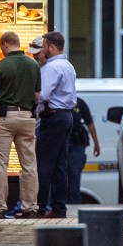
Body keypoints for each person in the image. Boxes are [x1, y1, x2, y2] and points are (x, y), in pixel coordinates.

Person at [0, 31, 41, 219]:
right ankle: (30, 207)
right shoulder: (33, 64)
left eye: (1, 47)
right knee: (29, 165)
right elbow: (37, 95)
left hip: (5, 118)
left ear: (5, 45)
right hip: (27, 117)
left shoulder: (1, 65)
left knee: (0, 165)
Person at [35, 31, 77, 218]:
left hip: (52, 117)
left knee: (43, 163)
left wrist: (32, 97)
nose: (43, 50)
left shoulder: (52, 68)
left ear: (51, 48)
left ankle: (41, 206)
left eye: (44, 46)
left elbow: (43, 95)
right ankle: (59, 207)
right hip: (66, 116)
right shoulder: (68, 66)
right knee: (60, 164)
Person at [66, 97, 101, 204]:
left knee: (74, 176)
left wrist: (96, 144)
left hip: (76, 145)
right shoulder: (57, 102)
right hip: (61, 145)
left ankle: (74, 204)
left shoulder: (79, 103)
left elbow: (89, 123)